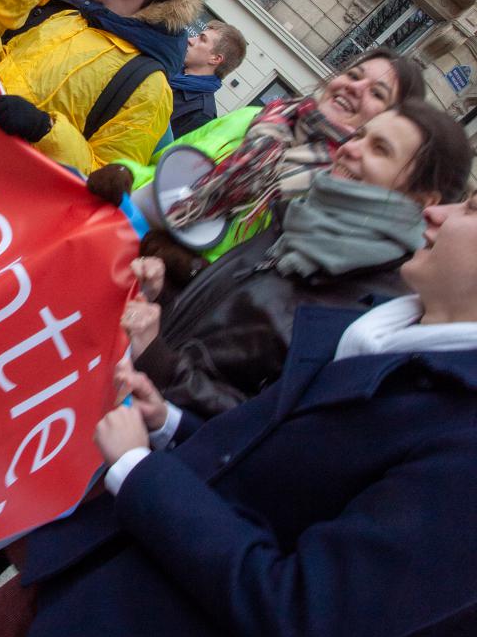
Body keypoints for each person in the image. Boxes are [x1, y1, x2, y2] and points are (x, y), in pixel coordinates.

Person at [0, 188, 477, 637]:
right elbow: (261, 468)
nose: (437, 214)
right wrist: (170, 424)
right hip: (77, 582)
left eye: (471, 209)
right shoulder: (373, 330)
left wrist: (139, 470)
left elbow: (301, 612)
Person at [126, 100, 473, 418]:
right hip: (128, 394)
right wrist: (163, 297)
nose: (350, 148)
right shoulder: (297, 218)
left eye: (380, 149)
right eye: (360, 136)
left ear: (423, 200)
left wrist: (159, 362)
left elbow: (260, 427)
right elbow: (211, 332)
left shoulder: (374, 303)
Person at [89, 47, 427, 267]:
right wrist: (125, 175)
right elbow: (160, 166)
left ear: (390, 121)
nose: (355, 87)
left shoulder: (335, 188)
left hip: (153, 295)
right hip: (110, 232)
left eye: (377, 93)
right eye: (354, 75)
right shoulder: (255, 117)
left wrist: (193, 267)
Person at [0, 0, 202, 176]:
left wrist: (45, 131)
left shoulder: (150, 88)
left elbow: (103, 180)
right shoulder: (74, 17)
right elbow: (4, 62)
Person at [168, 20, 247, 137]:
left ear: (215, 59)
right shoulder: (169, 69)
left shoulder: (201, 114)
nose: (190, 40)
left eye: (202, 39)